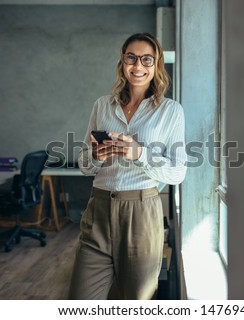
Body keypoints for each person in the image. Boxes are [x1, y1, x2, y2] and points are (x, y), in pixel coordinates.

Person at [68, 33, 187, 300]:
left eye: (147, 59)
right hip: (98, 210)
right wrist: (97, 156)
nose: (138, 65)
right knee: (79, 301)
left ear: (156, 65)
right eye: (131, 57)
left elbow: (178, 172)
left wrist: (140, 154)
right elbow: (85, 166)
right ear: (122, 62)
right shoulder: (102, 106)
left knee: (137, 302)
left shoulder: (171, 111)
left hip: (141, 214)